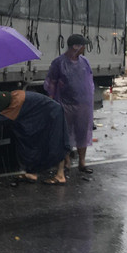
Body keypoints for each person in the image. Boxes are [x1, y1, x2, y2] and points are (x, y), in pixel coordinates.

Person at [0, 87, 73, 184]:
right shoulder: (13, 94)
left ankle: (60, 176)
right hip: (44, 115)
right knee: (36, 143)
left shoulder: (16, 102)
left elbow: (3, 119)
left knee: (55, 144)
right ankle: (32, 173)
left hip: (53, 115)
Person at [44, 34, 95, 175]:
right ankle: (66, 162)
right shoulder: (59, 63)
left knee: (82, 133)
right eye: (83, 45)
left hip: (83, 104)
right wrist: (52, 102)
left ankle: (82, 162)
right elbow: (51, 83)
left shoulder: (84, 62)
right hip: (64, 104)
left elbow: (89, 83)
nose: (84, 48)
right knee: (64, 134)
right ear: (76, 46)